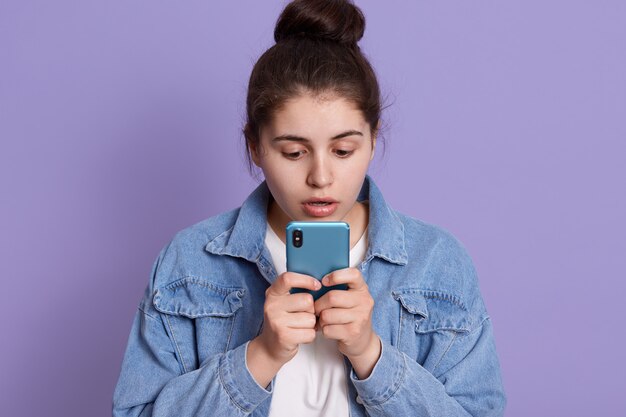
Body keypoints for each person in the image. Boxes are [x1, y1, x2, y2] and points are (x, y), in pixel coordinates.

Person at [112, 0, 507, 416]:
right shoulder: (189, 264)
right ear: (255, 147)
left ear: (373, 141)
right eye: (295, 152)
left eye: (343, 149)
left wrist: (371, 355)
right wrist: (260, 356)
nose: (321, 176)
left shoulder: (438, 264)